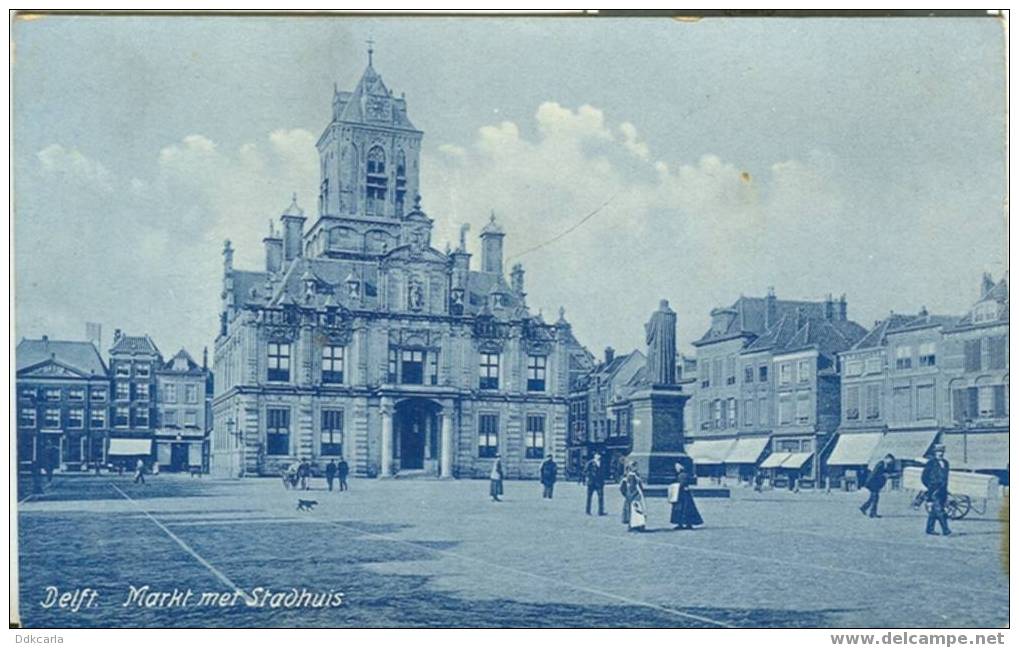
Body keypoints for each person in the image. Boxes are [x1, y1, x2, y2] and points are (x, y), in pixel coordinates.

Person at [922, 445, 951, 536]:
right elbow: (924, 477)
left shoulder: (946, 463)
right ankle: (946, 530)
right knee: (940, 511)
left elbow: (946, 478)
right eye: (938, 452)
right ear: (935, 453)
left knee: (934, 511)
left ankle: (929, 529)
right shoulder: (930, 463)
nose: (940, 453)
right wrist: (930, 486)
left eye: (942, 452)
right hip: (934, 490)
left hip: (943, 490)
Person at [668, 464, 703, 530]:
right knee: (687, 509)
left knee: (682, 509)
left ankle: (682, 524)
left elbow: (682, 484)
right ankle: (687, 524)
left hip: (682, 495)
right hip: (684, 494)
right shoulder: (683, 475)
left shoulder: (681, 475)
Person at [621, 462, 646, 531]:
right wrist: (630, 494)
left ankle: (636, 525)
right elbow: (630, 487)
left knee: (635, 511)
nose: (637, 468)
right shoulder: (631, 476)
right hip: (634, 496)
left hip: (633, 496)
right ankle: (633, 526)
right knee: (634, 511)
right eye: (635, 466)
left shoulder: (634, 475)